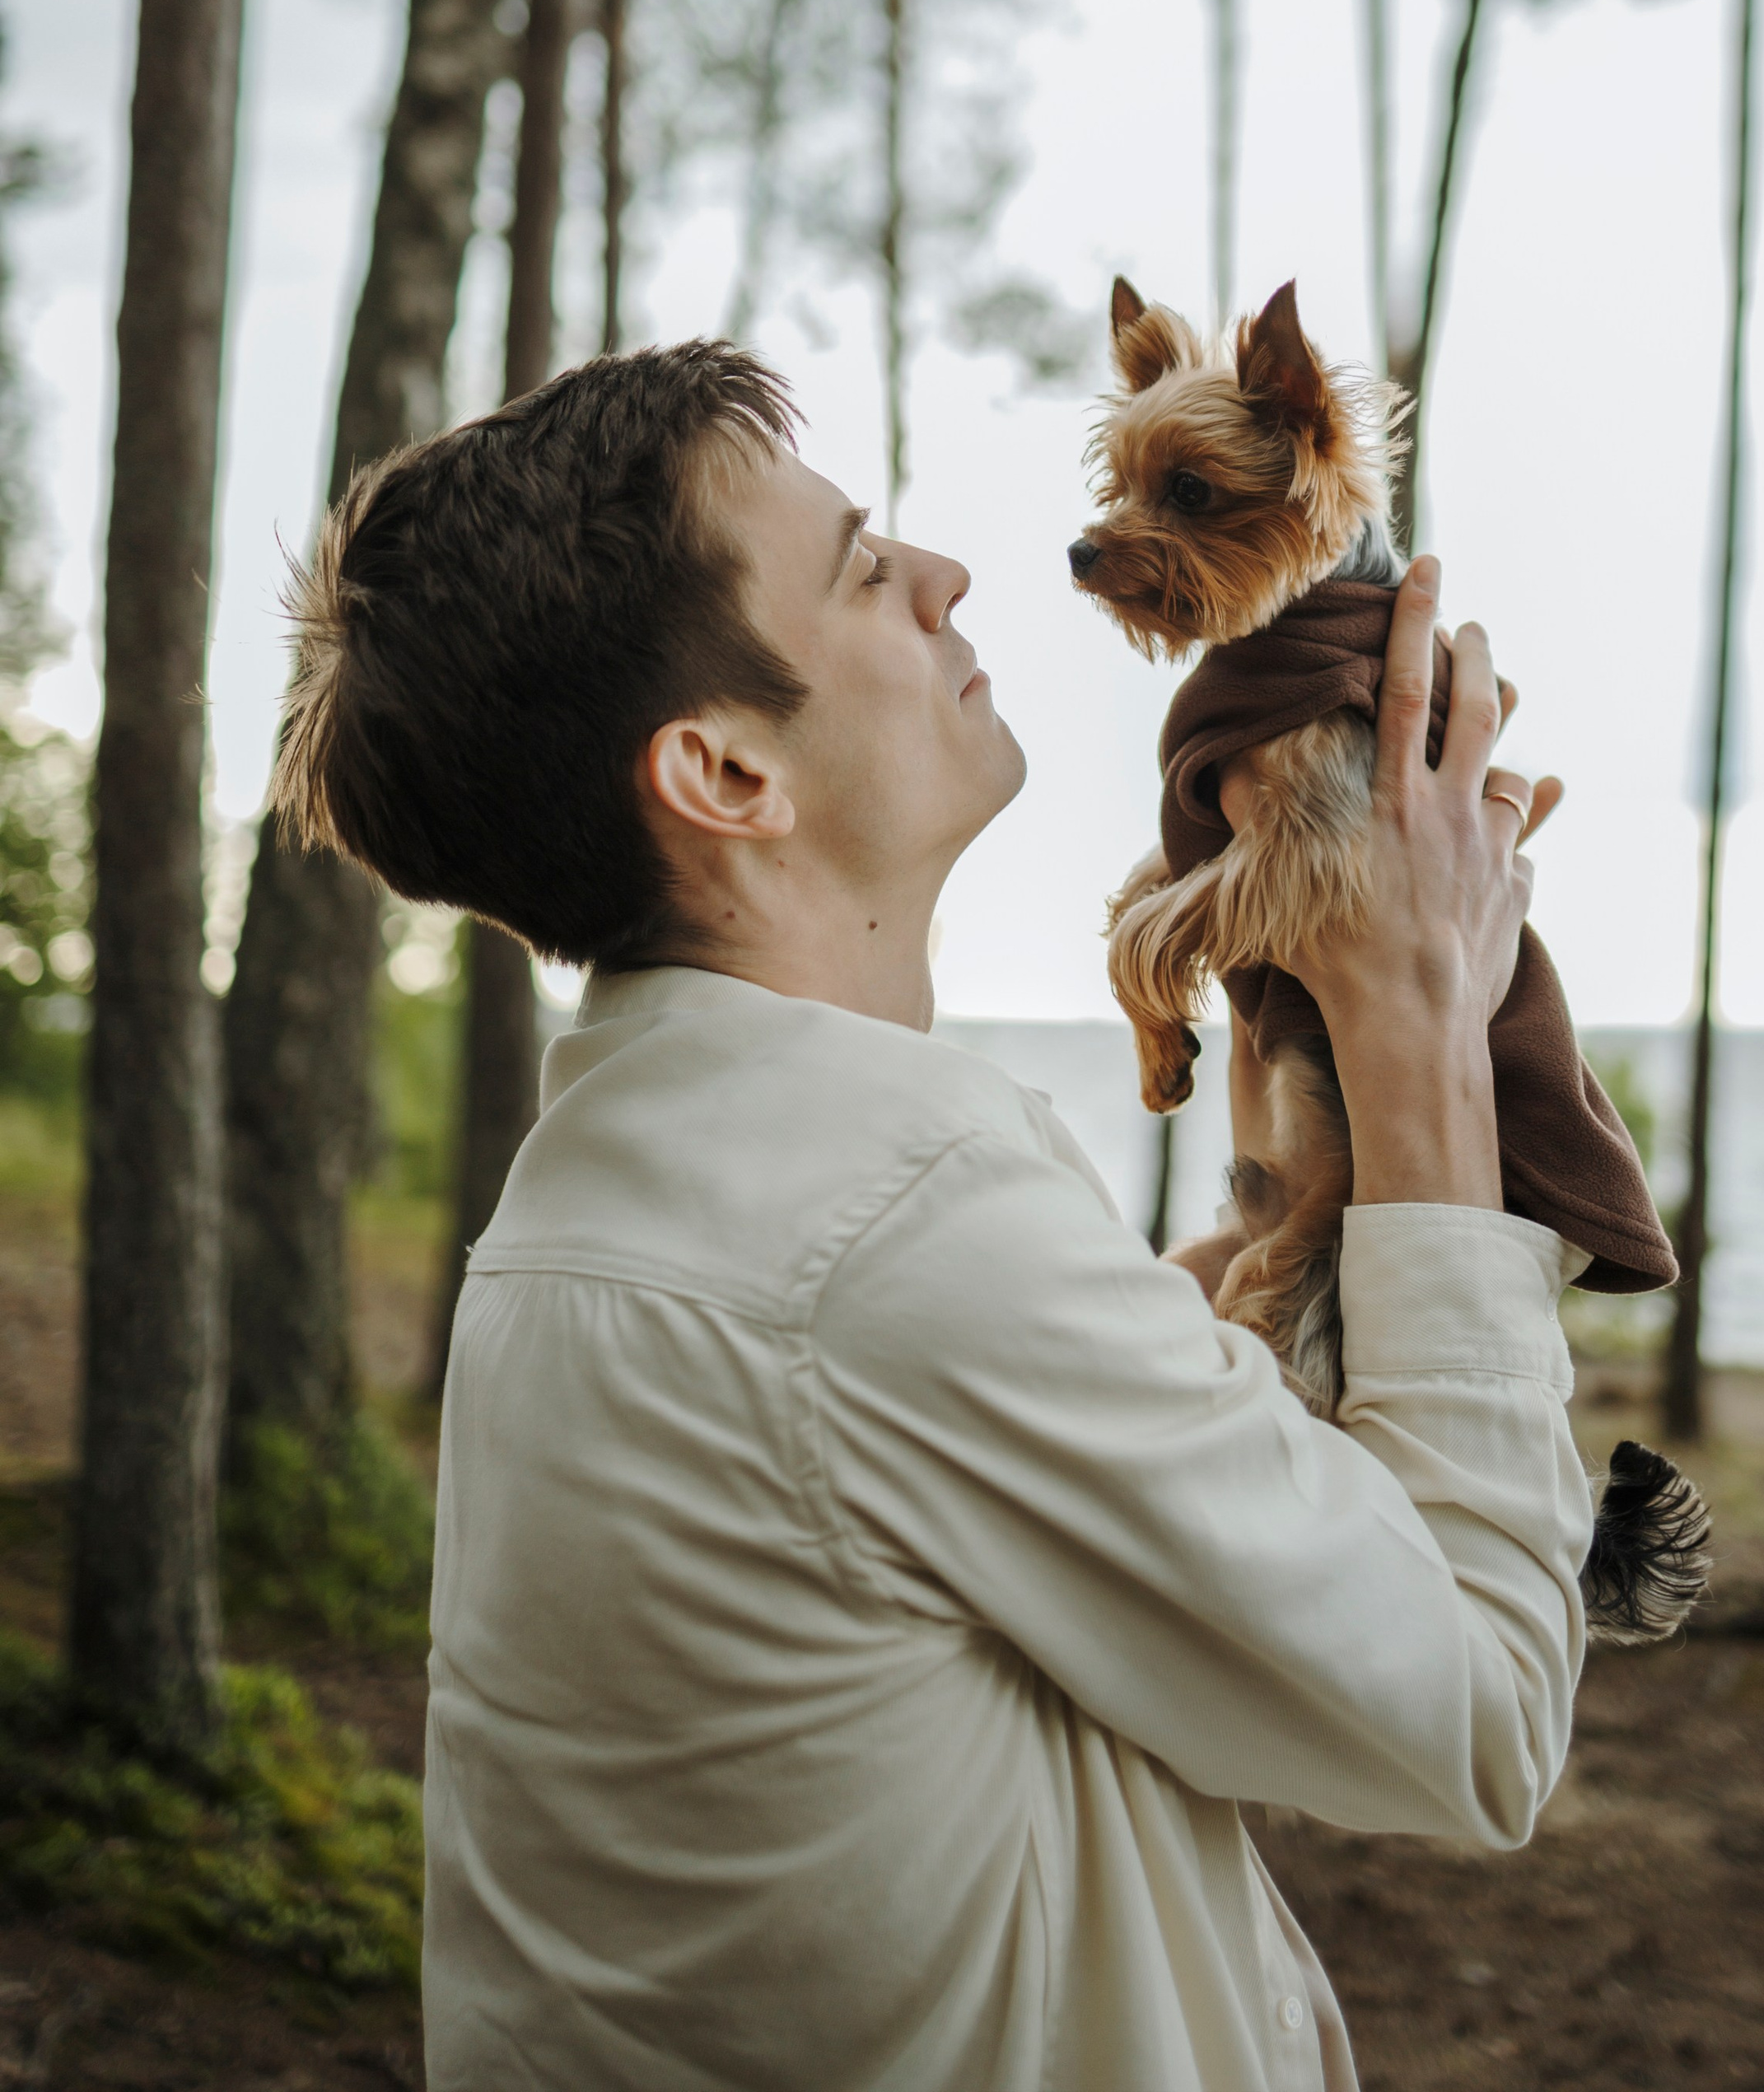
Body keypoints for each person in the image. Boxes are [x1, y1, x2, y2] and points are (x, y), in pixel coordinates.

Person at [273, 339, 1593, 2092]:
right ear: (725, 776)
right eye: (860, 570)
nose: (949, 573)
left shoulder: (586, 1208)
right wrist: (1418, 1025)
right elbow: (1483, 1715)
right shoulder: (897, 1224)